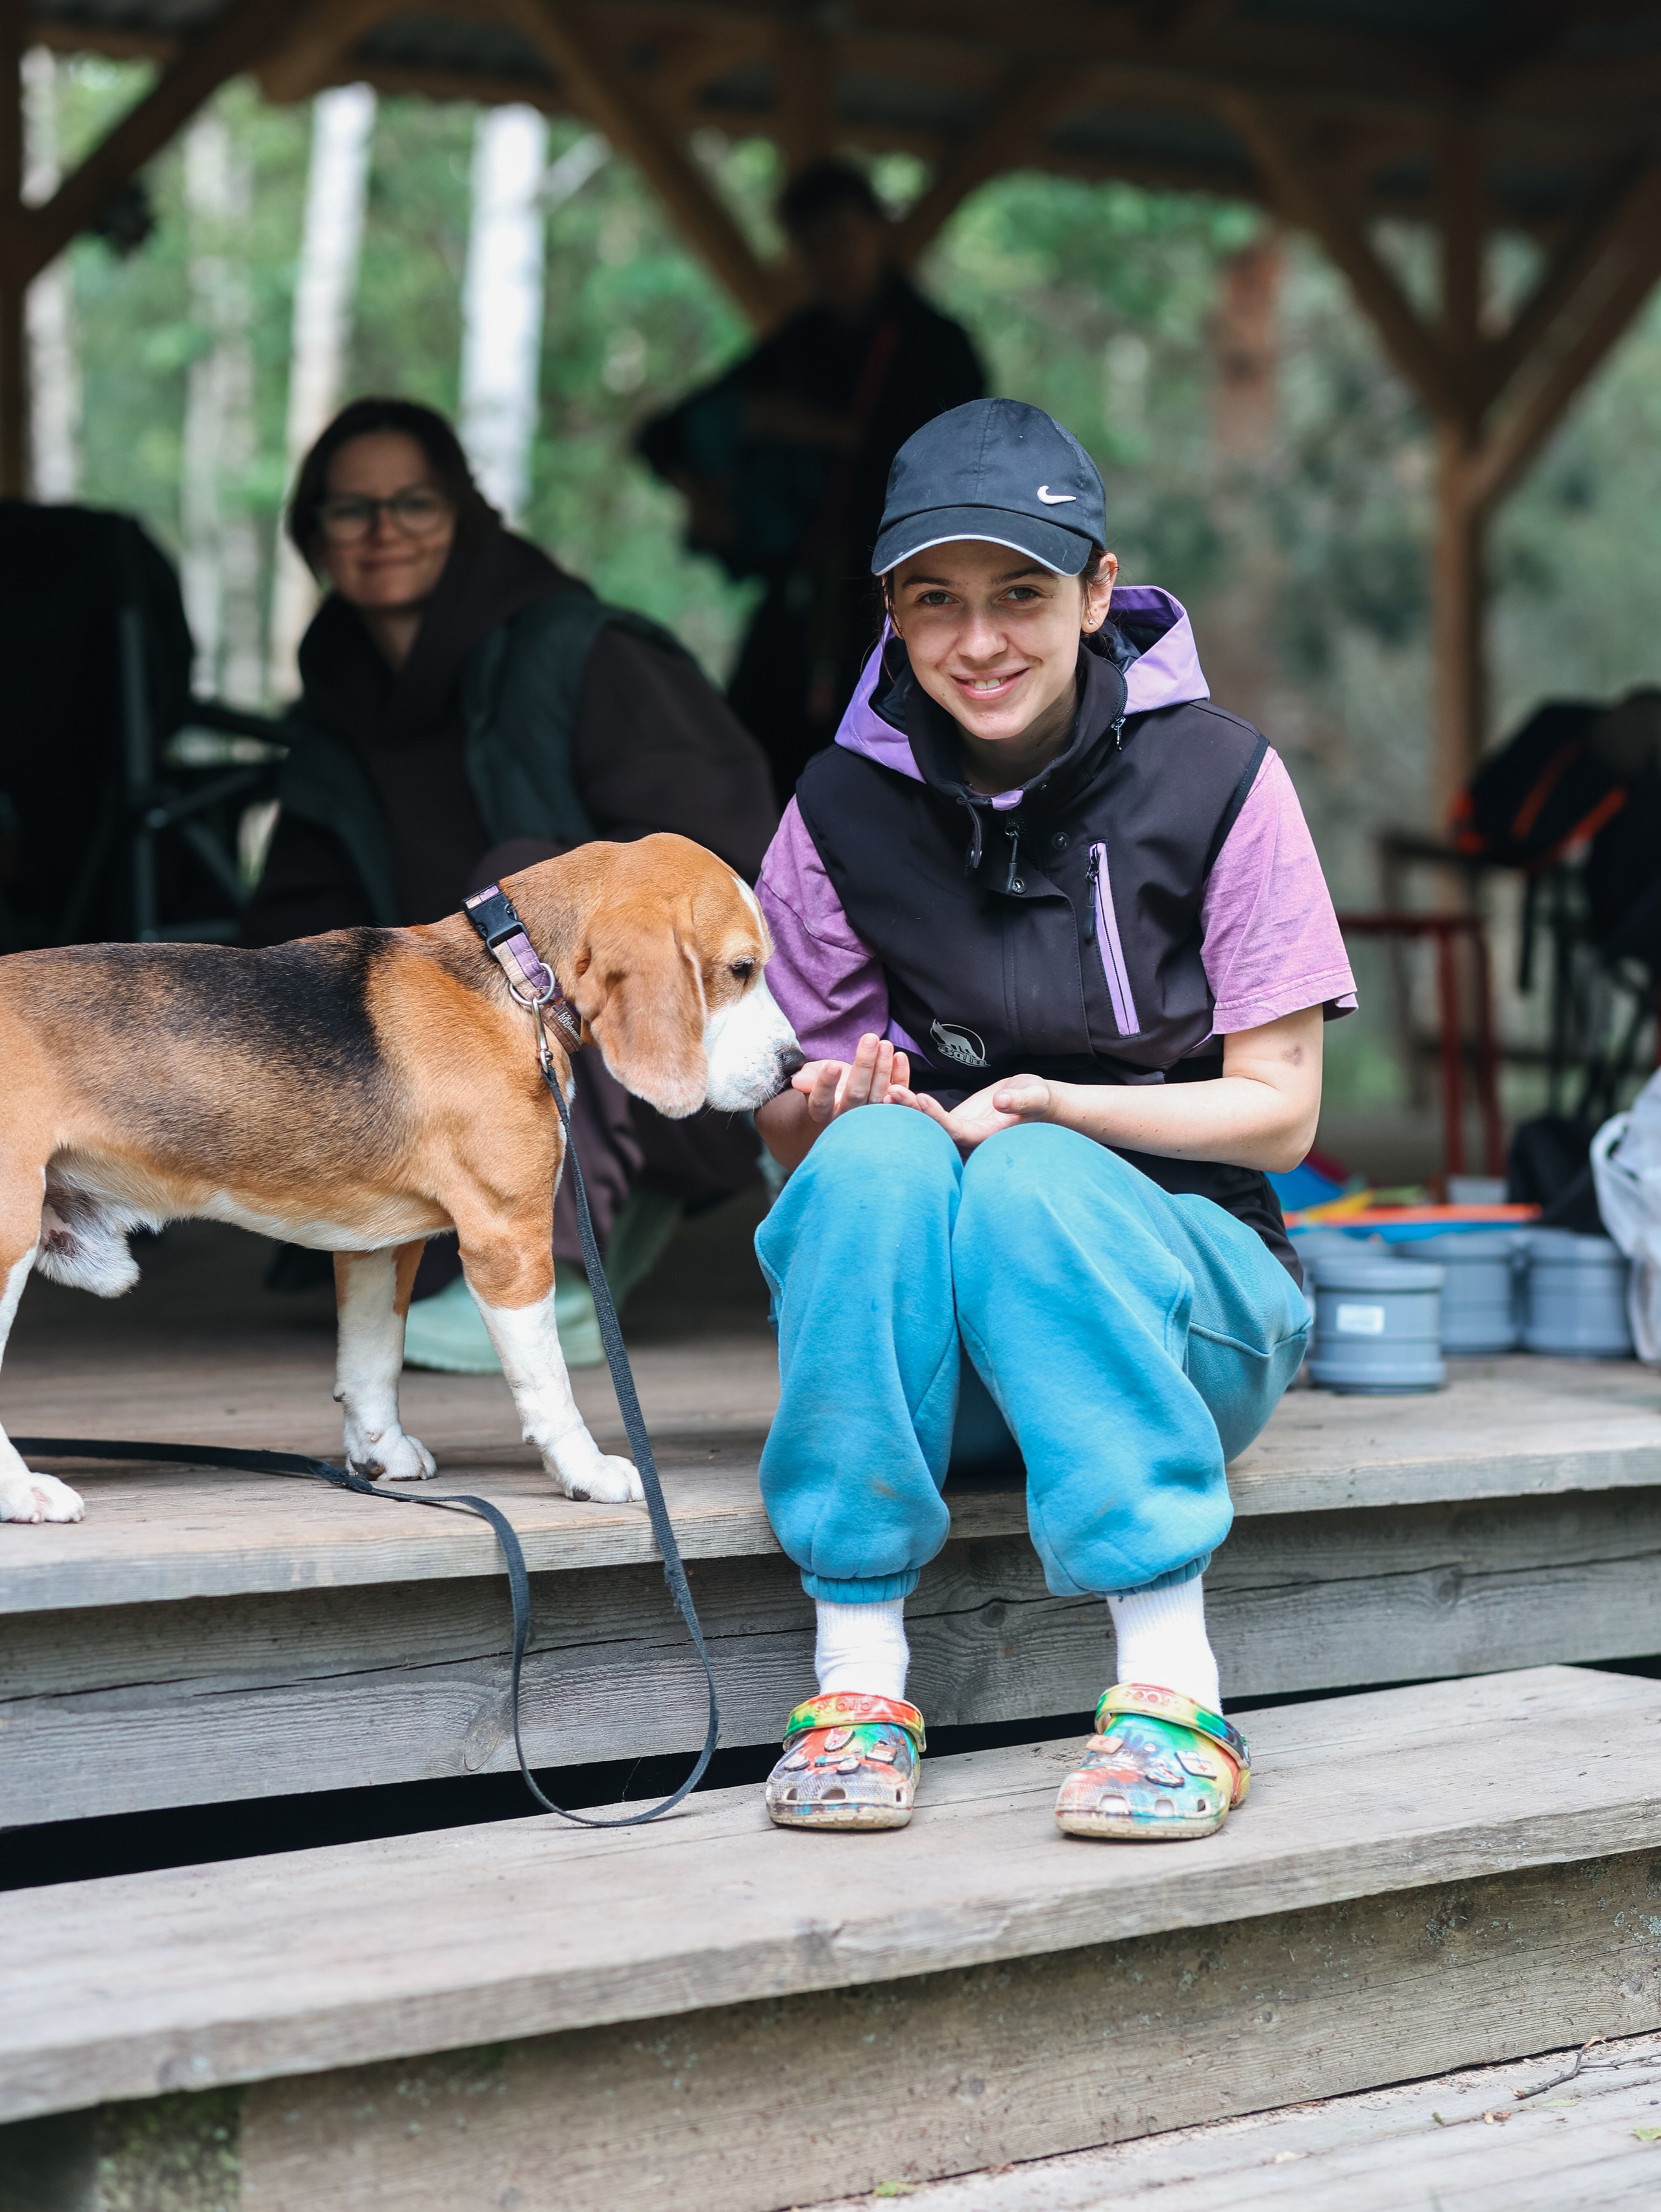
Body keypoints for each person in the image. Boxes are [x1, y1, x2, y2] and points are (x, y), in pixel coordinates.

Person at [750, 398, 1357, 1840]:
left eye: (1020, 593)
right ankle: (852, 1679)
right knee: (878, 1153)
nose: (978, 642)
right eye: (933, 602)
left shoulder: (1220, 778)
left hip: (1182, 1319)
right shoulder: (836, 804)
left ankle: (1170, 1694)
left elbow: (1280, 1117)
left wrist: (1048, 1106)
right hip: (946, 1367)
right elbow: (777, 1125)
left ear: (1096, 592)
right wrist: (827, 1102)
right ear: (889, 615)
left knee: (1022, 1174)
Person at [245, 396, 778, 1369]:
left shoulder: (580, 651)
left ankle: (570, 1251)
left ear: (465, 510)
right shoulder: (335, 694)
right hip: (432, 1071)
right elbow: (299, 913)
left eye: (415, 502)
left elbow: (735, 867)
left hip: (652, 1053)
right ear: (314, 534)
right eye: (349, 510)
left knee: (513, 903)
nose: (383, 530)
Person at [638, 160, 985, 802]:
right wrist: (705, 489)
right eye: (810, 246)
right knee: (747, 756)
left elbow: (962, 470)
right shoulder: (800, 342)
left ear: (879, 233)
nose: (828, 260)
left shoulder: (937, 346)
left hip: (898, 600)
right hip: (799, 590)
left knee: (888, 773)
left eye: (841, 238)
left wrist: (823, 431)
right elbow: (661, 434)